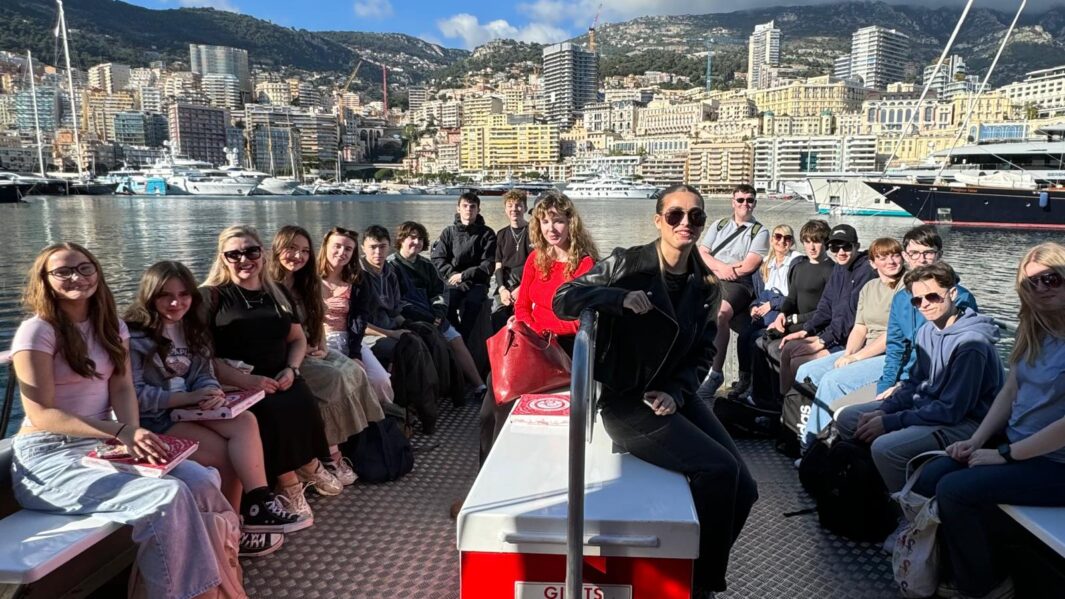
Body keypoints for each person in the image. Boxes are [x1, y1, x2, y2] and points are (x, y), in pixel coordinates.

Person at [554, 184, 758, 598]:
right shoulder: (627, 263)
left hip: (669, 396)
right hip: (625, 401)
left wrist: (678, 392)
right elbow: (564, 299)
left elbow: (702, 353)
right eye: (676, 215)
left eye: (696, 217)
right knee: (718, 472)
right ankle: (700, 587)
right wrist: (617, 297)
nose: (686, 223)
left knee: (747, 487)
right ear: (658, 220)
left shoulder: (703, 284)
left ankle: (697, 574)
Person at [9, 242, 240, 597]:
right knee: (167, 497)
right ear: (45, 279)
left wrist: (131, 435)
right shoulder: (38, 331)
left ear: (97, 272)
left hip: (102, 445)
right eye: (63, 271)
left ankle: (221, 580)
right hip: (49, 459)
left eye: (85, 268)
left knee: (201, 480)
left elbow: (121, 389)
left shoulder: (111, 326)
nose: (77, 277)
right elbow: (42, 414)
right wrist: (120, 431)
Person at [912, 242, 1065, 599]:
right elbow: (1011, 390)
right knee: (934, 472)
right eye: (1032, 283)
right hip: (1020, 447)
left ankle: (985, 586)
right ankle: (950, 561)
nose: (1041, 288)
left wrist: (1006, 455)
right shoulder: (1038, 328)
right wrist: (978, 440)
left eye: (1052, 279)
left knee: (955, 490)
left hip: (1055, 464)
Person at [126, 260, 302, 557]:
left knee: (245, 421)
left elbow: (204, 371)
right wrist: (189, 398)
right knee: (225, 455)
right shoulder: (135, 338)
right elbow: (135, 395)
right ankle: (233, 530)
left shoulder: (192, 328)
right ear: (150, 296)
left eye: (183, 295)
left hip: (191, 408)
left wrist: (210, 390)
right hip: (156, 420)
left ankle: (257, 502)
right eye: (165, 295)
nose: (175, 303)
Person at [202, 225, 335, 525]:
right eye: (233, 254)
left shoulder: (277, 293)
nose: (243, 259)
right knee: (270, 410)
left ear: (262, 254)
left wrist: (293, 368)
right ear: (223, 259)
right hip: (238, 382)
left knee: (302, 399)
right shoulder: (212, 298)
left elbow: (298, 339)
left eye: (251, 251)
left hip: (280, 374)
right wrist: (245, 382)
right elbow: (204, 356)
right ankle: (289, 484)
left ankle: (307, 465)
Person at [836, 262, 1004, 494]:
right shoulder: (927, 330)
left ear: (952, 293)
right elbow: (914, 383)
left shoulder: (971, 345)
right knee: (848, 418)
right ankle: (867, 488)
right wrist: (885, 410)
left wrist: (890, 421)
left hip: (968, 423)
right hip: (932, 407)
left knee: (886, 448)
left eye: (932, 297)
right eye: (917, 300)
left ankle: (906, 513)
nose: (924, 305)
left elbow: (952, 410)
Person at [479, 190, 598, 462]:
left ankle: (499, 468)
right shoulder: (537, 259)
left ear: (570, 223)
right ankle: (484, 471)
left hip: (564, 349)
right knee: (492, 387)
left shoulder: (585, 264)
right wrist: (530, 328)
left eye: (557, 221)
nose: (551, 228)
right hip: (535, 341)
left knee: (504, 393)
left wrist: (545, 332)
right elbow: (521, 306)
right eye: (545, 222)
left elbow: (582, 320)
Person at [270, 225, 387, 486]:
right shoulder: (272, 286)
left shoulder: (305, 282)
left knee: (357, 372)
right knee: (334, 378)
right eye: (291, 249)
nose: (297, 256)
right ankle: (330, 455)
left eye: (303, 251)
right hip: (289, 355)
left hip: (320, 345)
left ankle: (358, 443)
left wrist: (321, 346)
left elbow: (318, 320)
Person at [794, 238, 905, 446]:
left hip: (887, 355)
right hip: (863, 349)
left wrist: (857, 357)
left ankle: (811, 446)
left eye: (895, 255)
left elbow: (892, 335)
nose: (891, 261)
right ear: (873, 263)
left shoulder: (905, 287)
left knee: (832, 380)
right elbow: (860, 327)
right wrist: (848, 355)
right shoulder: (870, 287)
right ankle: (799, 432)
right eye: (883, 257)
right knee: (806, 371)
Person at [388, 220, 486, 398]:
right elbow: (395, 300)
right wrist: (421, 317)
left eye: (420, 239)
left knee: (455, 339)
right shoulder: (391, 266)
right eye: (411, 238)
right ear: (401, 239)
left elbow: (440, 291)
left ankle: (479, 385)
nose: (416, 242)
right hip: (408, 319)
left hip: (433, 316)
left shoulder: (427, 266)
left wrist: (439, 313)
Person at [776, 224, 876, 396]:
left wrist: (822, 341)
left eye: (846, 247)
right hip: (835, 335)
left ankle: (800, 412)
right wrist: (806, 331)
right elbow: (826, 305)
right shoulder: (839, 267)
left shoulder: (865, 271)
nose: (840, 252)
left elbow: (849, 316)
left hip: (850, 340)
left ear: (857, 246)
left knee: (798, 362)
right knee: (787, 351)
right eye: (835, 248)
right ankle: (785, 406)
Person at [747, 219, 834, 410]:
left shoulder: (831, 270)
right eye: (808, 241)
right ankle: (762, 398)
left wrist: (793, 319)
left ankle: (785, 401)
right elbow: (792, 297)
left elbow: (826, 310)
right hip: (794, 321)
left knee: (775, 348)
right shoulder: (801, 267)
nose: (812, 246)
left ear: (826, 243)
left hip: (815, 327)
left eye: (817, 241)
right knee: (759, 342)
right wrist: (782, 314)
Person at [696, 183, 769, 400]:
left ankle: (715, 374)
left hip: (739, 284)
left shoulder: (760, 231)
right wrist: (722, 268)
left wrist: (728, 271)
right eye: (740, 200)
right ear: (733, 202)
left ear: (755, 203)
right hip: (713, 277)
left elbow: (749, 264)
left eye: (750, 200)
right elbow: (702, 253)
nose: (745, 204)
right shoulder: (719, 226)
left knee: (721, 314)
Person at [319, 226, 395, 405]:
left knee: (380, 380)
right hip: (321, 341)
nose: (341, 252)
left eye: (348, 249)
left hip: (349, 339)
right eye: (337, 246)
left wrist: (355, 353)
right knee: (350, 379)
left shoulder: (357, 280)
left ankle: (385, 421)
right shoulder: (308, 279)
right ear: (326, 246)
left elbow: (359, 319)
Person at [726, 223, 802, 400]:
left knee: (756, 339)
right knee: (743, 336)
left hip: (782, 312)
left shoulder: (796, 263)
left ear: (791, 242)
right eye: (778, 237)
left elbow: (795, 296)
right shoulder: (765, 265)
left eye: (787, 238)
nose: (782, 241)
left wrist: (772, 304)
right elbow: (759, 295)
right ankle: (745, 379)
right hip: (764, 311)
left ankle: (756, 386)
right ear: (772, 239)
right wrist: (753, 307)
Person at [431, 191, 498, 340]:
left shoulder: (487, 234)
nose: (469, 209)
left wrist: (465, 276)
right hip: (453, 280)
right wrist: (454, 275)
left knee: (473, 303)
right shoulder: (449, 233)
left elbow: (488, 264)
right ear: (458, 208)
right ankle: (454, 336)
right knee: (447, 304)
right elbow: (438, 258)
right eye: (465, 206)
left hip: (477, 281)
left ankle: (464, 339)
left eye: (473, 206)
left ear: (478, 210)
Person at [491, 190, 533, 331]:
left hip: (527, 285)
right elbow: (498, 266)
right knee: (497, 314)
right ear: (505, 209)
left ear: (525, 208)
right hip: (506, 285)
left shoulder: (534, 232)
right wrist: (502, 289)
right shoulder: (501, 234)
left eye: (518, 205)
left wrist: (522, 289)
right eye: (510, 206)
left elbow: (539, 265)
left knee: (524, 321)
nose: (514, 209)